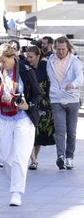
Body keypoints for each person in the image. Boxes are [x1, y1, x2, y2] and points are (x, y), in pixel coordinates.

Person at [0, 42, 41, 206]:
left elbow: (37, 94)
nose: (1, 64)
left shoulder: (25, 70)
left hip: (23, 118)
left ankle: (16, 193)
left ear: (13, 57)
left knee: (19, 157)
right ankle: (17, 180)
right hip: (4, 118)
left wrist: (28, 105)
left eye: (3, 60)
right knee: (6, 158)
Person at [46, 36, 83, 170]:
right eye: (58, 49)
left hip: (72, 99)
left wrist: (73, 84)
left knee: (71, 131)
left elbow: (80, 77)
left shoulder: (75, 61)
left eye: (63, 49)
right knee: (60, 131)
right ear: (55, 48)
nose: (60, 52)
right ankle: (60, 157)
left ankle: (69, 158)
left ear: (68, 48)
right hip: (56, 99)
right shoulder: (51, 60)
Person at [26, 46, 55, 170]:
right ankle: (33, 160)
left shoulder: (45, 66)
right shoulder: (26, 67)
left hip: (44, 104)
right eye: (27, 57)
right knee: (30, 131)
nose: (29, 59)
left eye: (31, 57)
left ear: (38, 56)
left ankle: (34, 158)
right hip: (31, 103)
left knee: (39, 132)